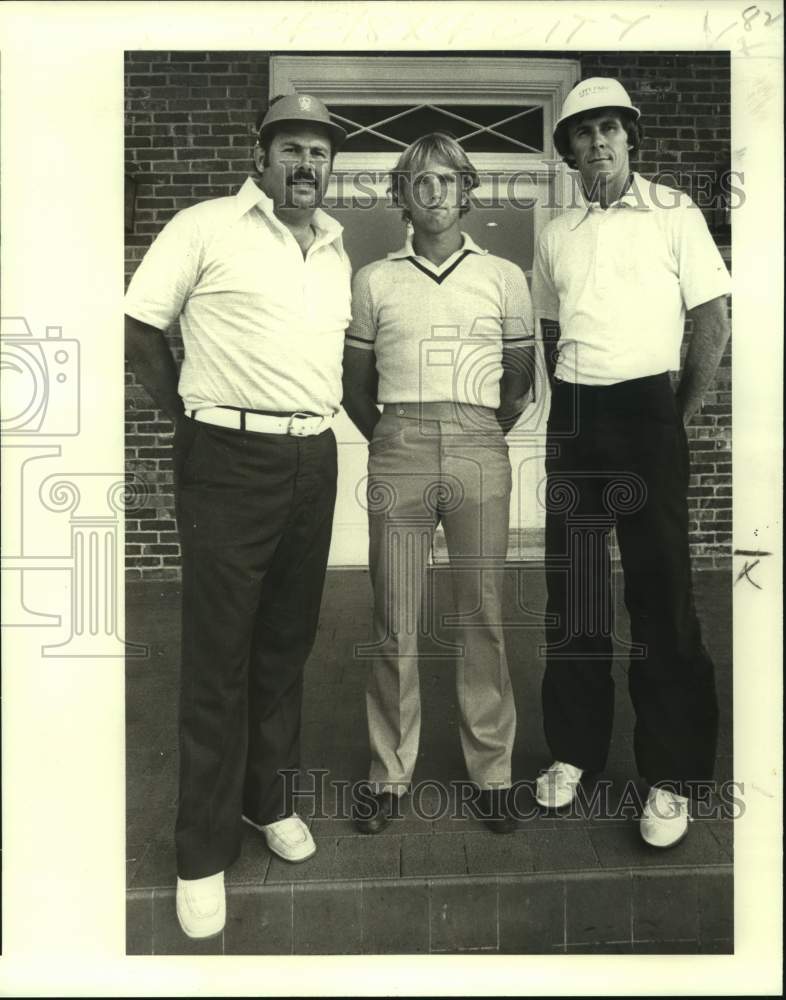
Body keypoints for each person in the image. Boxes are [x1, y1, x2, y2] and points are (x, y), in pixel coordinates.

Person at [124, 94, 350, 938]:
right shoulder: (205, 225)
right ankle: (201, 852)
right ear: (260, 156)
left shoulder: (333, 247)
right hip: (225, 456)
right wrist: (186, 417)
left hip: (311, 458)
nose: (306, 166)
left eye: (319, 154)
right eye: (290, 149)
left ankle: (267, 802)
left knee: (286, 644)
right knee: (218, 657)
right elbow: (139, 331)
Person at [531, 78, 731, 847]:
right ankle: (574, 753)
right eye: (583, 133)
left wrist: (674, 416)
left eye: (611, 128)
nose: (599, 143)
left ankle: (670, 777)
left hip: (651, 411)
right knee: (576, 592)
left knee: (663, 595)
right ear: (569, 149)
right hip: (579, 417)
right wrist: (572, 415)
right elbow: (550, 333)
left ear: (630, 137)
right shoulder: (556, 231)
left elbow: (711, 317)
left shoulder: (674, 211)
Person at [342, 132, 535, 835]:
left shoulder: (504, 276)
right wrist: (399, 440)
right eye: (418, 182)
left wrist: (475, 433)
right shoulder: (373, 279)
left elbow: (518, 382)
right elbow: (356, 389)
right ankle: (389, 775)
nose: (433, 194)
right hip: (399, 442)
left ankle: (492, 772)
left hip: (480, 441)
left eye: (446, 181)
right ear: (401, 195)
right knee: (395, 616)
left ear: (466, 190)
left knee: (480, 612)